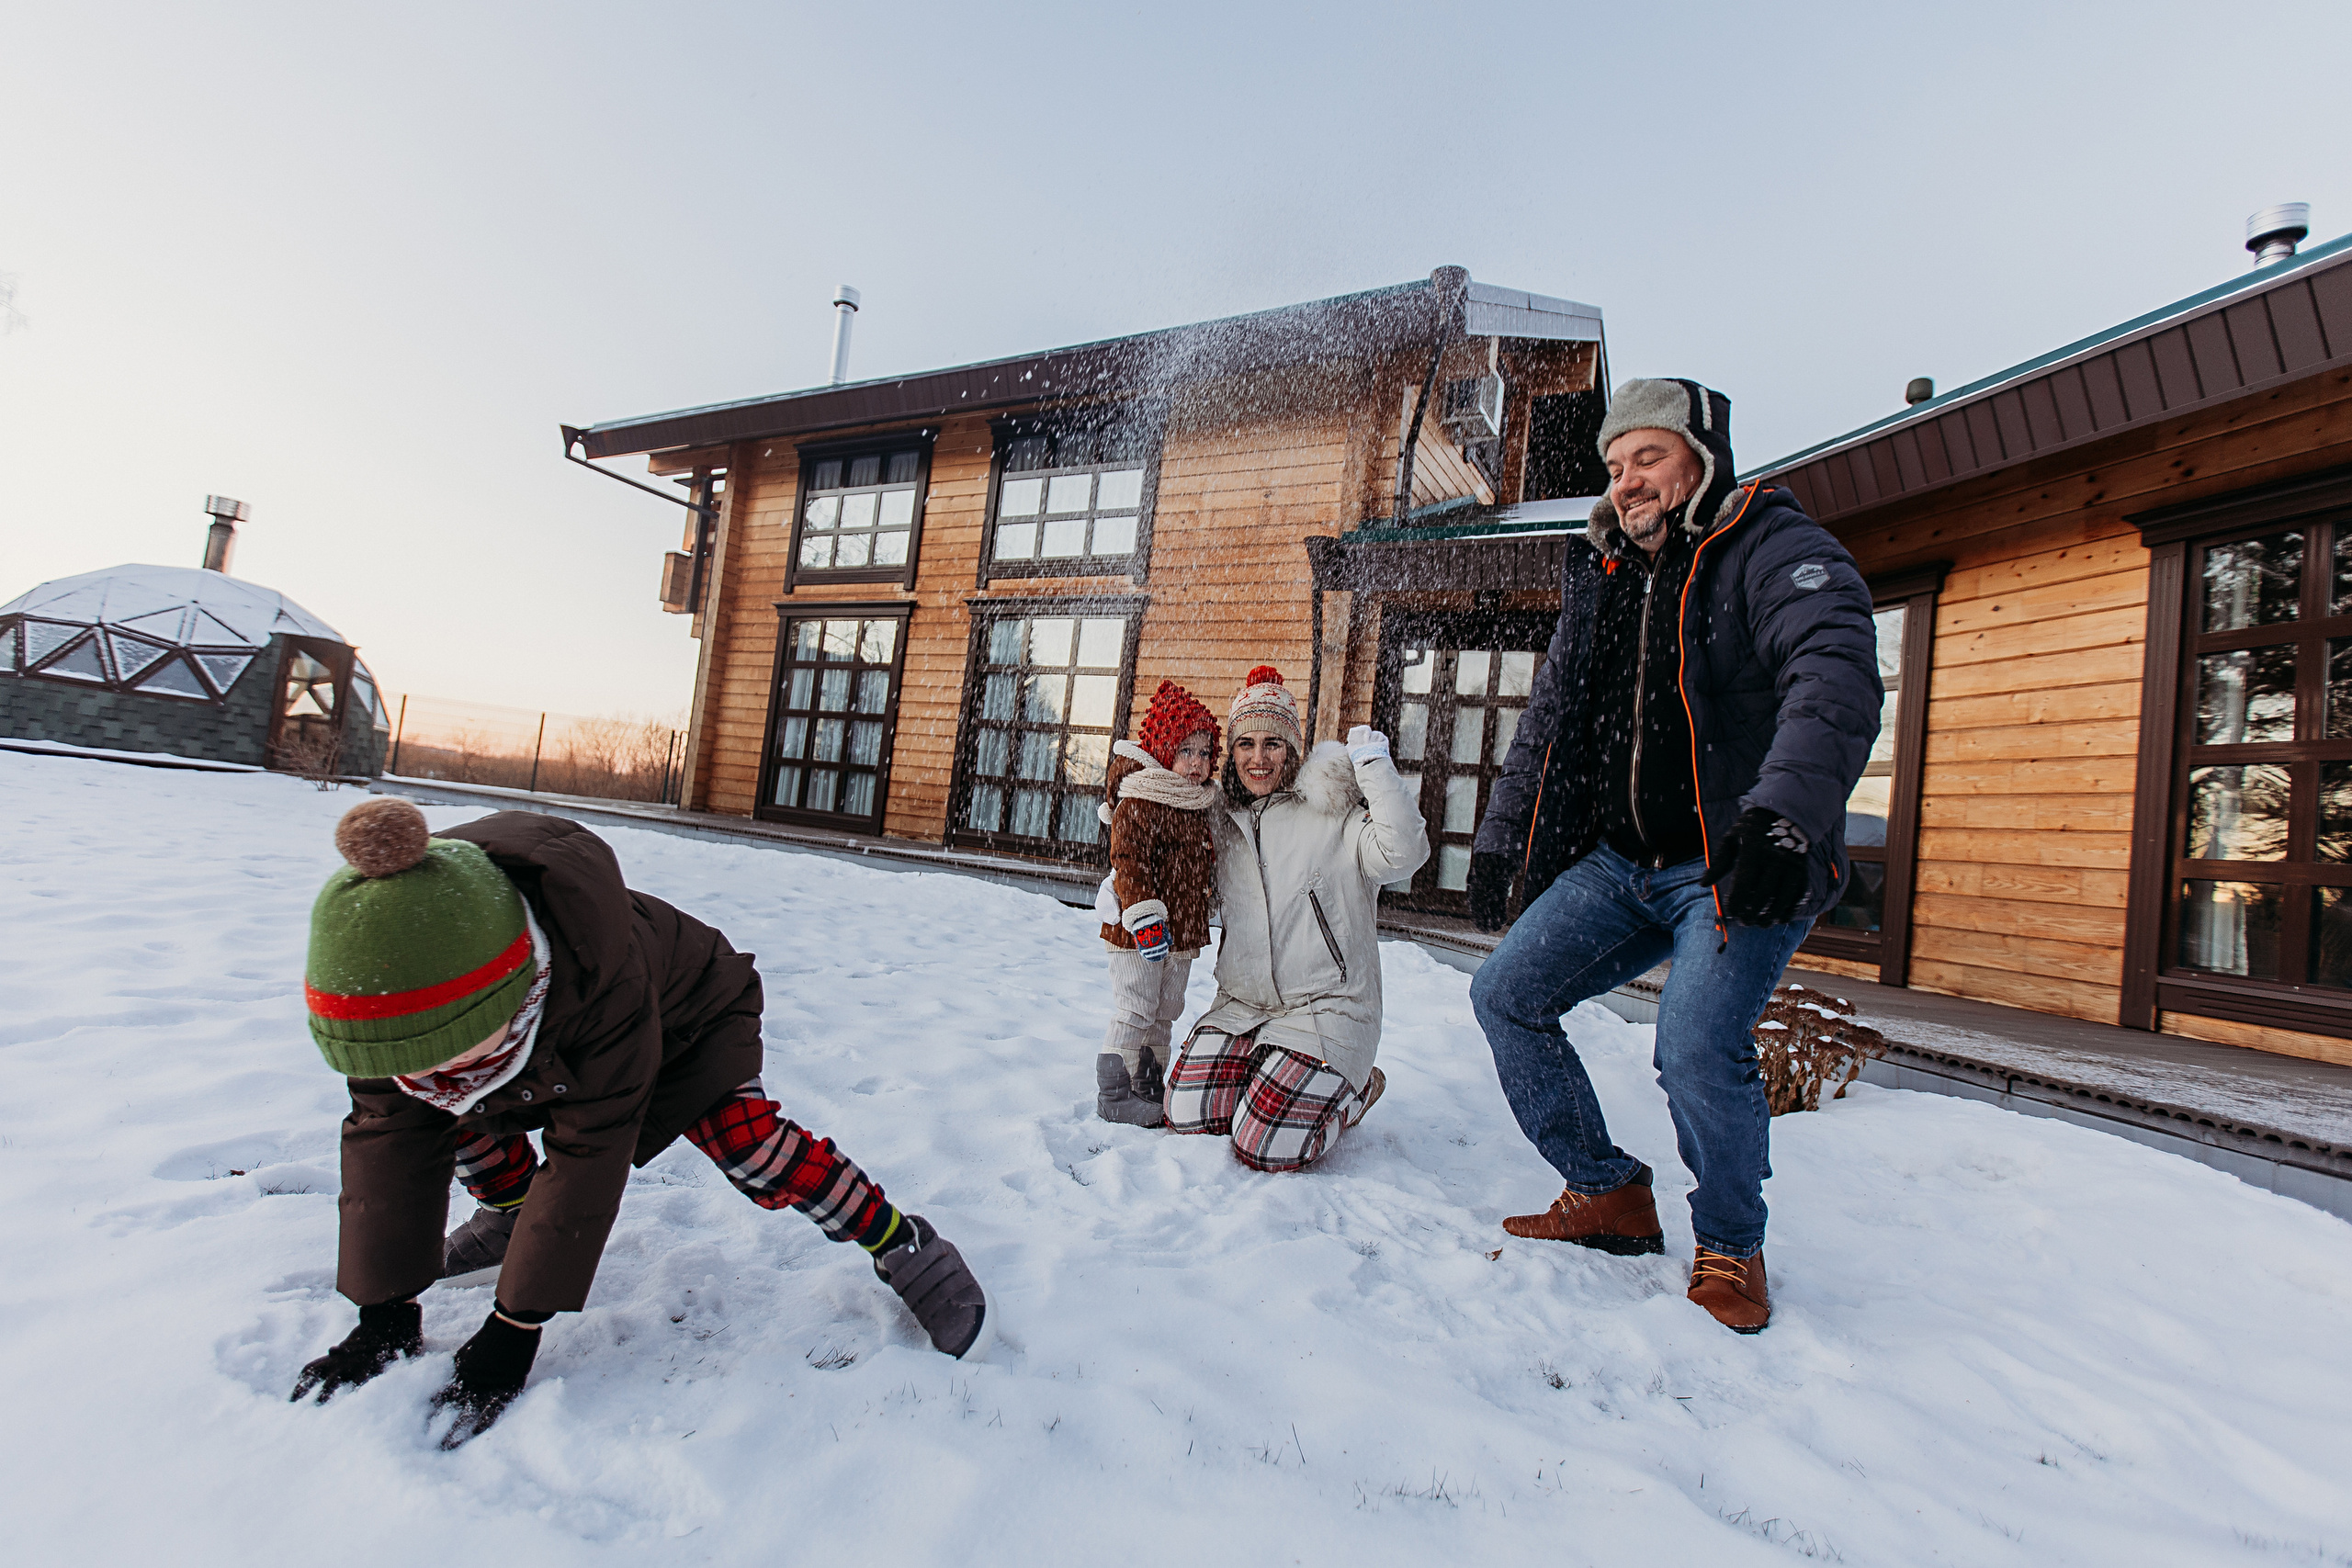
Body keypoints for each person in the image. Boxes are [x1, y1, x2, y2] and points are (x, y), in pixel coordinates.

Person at [288, 798, 987, 1446]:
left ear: (506, 994)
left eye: (444, 1055)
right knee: (445, 1109)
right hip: (535, 1040)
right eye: (408, 1063)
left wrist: (512, 1330)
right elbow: (388, 1145)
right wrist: (382, 1315)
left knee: (751, 1148)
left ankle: (900, 1241)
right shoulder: (393, 996)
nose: (425, 1073)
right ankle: (510, 1213)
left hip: (688, 1020)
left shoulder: (597, 981)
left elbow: (588, 1160)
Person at [1464, 378, 1880, 1334]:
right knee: (1506, 996)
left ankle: (1731, 1241)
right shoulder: (1606, 574)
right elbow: (1548, 718)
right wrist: (1500, 840)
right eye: (1614, 466)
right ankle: (1605, 1190)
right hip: (1621, 862)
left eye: (1647, 456)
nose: (1627, 481)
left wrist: (1782, 818)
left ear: (1703, 456)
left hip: (1733, 862)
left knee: (1693, 1046)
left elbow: (1834, 679)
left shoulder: (1771, 548)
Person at [1164, 666, 1430, 1169]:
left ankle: (1354, 1093)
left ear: (1292, 749)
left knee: (1264, 1143)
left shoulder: (1334, 812)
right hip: (1244, 1005)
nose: (1258, 759)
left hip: (1328, 1008)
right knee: (1188, 1113)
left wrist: (1373, 765)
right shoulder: (1223, 820)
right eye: (1245, 744)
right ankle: (1273, 1072)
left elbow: (1405, 852)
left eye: (1272, 744)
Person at [1092, 680, 1222, 1126]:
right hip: (1137, 933)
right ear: (1165, 750)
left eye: (1205, 753)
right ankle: (1115, 1092)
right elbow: (1129, 861)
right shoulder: (1141, 798)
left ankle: (1149, 1082)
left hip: (1181, 933)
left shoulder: (1196, 804)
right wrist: (1145, 916)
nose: (1197, 763)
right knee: (1136, 1007)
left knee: (1166, 1010)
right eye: (1186, 750)